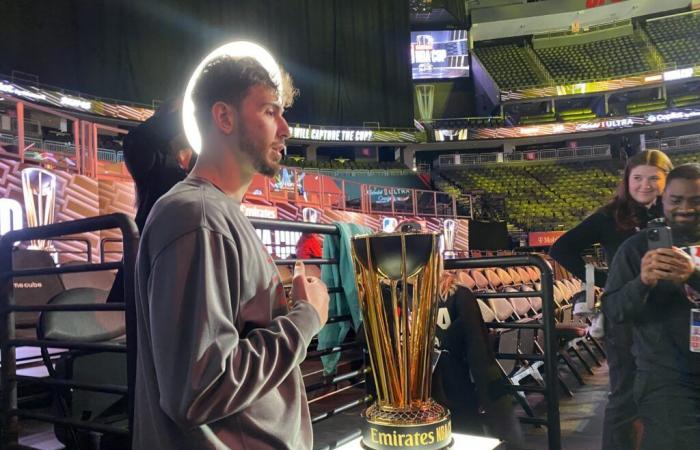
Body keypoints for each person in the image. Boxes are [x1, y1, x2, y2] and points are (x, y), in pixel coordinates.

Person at [132, 53, 330, 450]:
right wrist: (306, 319)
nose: (286, 128)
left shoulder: (213, 214)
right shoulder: (197, 217)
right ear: (224, 117)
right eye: (270, 112)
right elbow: (200, 389)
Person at [549, 149, 673, 450]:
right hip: (625, 317)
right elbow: (561, 249)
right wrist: (608, 281)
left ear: (667, 180)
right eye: (638, 178)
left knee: (669, 391)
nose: (645, 185)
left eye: (654, 178)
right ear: (627, 180)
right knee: (624, 396)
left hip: (669, 315)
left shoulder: (676, 211)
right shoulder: (610, 215)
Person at [602, 163, 700, 450]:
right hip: (667, 379)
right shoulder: (636, 248)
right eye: (677, 200)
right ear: (662, 201)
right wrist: (642, 282)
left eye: (695, 201)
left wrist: (692, 276)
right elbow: (615, 311)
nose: (686, 208)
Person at [106, 100, 195, 304]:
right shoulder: (146, 154)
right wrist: (187, 111)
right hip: (153, 245)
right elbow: (138, 137)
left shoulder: (192, 159)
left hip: (180, 245)